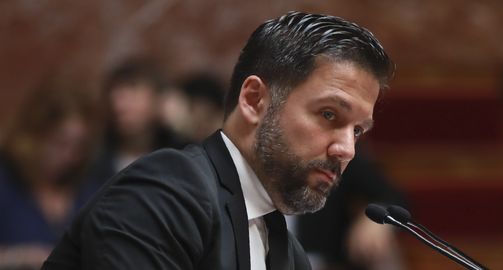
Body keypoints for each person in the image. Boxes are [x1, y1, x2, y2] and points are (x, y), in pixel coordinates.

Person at [42, 11, 394, 270]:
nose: (346, 149)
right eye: (329, 115)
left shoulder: (288, 254)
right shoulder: (166, 192)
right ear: (255, 100)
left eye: (358, 131)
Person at [0, 82, 100, 269]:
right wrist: (20, 257)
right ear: (34, 135)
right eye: (60, 143)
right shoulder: (6, 180)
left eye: (79, 147)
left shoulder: (86, 190)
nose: (69, 156)